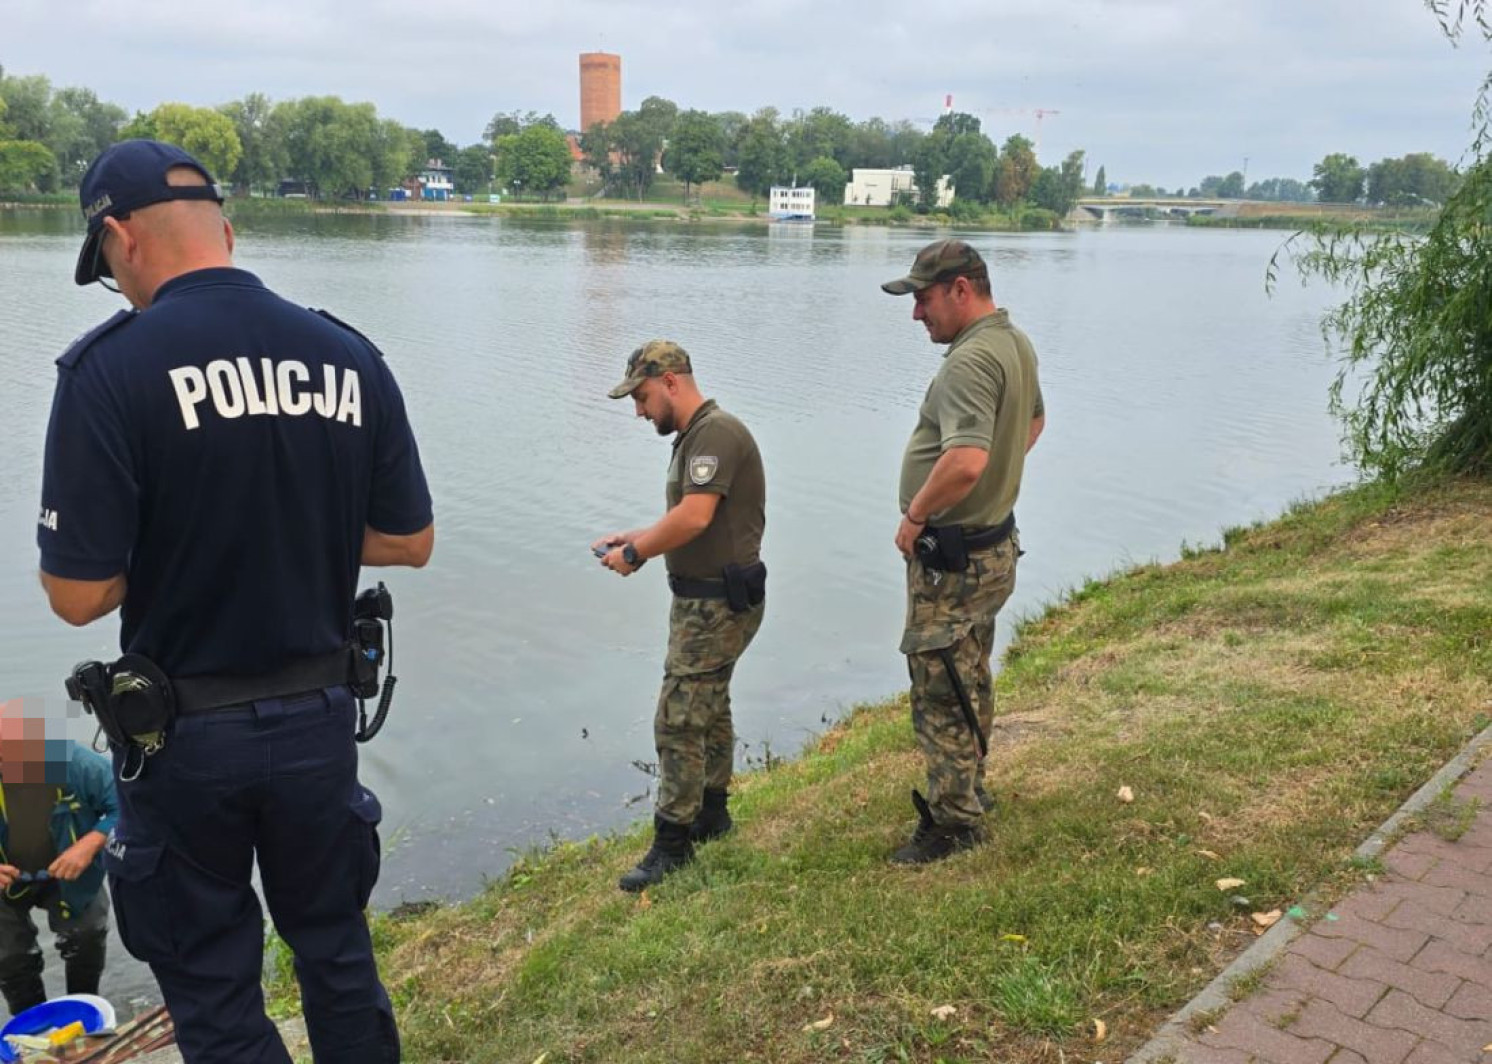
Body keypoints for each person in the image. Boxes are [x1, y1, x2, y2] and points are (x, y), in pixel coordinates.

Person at [36, 139, 433, 1063]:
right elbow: (409, 540)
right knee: (337, 956)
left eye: (109, 268)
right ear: (226, 230)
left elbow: (77, 595)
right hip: (320, 721)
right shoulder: (346, 353)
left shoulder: (109, 370)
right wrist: (290, 525)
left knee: (214, 990)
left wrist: (195, 534)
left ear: (121, 236)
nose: (119, 288)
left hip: (186, 741)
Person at [881, 239, 1045, 865]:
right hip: (992, 545)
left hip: (953, 559)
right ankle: (970, 787)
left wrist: (916, 514)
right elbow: (1033, 422)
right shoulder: (1013, 343)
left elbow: (967, 459)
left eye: (923, 299)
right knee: (970, 669)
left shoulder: (969, 362)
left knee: (941, 684)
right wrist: (999, 475)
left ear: (960, 289)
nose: (916, 313)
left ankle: (954, 822)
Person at [593, 341, 767, 893]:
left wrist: (635, 553)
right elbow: (690, 519)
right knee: (709, 709)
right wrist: (638, 536)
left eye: (642, 398)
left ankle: (672, 844)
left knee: (677, 719)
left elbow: (694, 517)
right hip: (707, 598)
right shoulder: (697, 436)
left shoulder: (715, 434)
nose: (639, 411)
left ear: (671, 382)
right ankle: (712, 813)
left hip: (716, 604)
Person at [0, 700, 118, 1016]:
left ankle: (82, 1009)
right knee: (10, 957)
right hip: (6, 878)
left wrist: (91, 842)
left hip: (72, 873)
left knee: (87, 935)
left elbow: (127, 804)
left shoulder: (78, 763)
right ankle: (30, 1023)